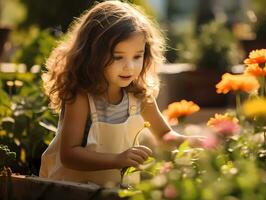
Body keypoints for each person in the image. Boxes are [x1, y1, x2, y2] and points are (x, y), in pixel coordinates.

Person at [40, 1, 198, 187]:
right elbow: (69, 155)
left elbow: (164, 136)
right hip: (72, 190)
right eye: (118, 57)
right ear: (92, 54)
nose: (129, 66)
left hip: (117, 190)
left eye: (137, 56)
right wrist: (117, 160)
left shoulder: (140, 95)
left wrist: (193, 142)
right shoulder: (82, 97)